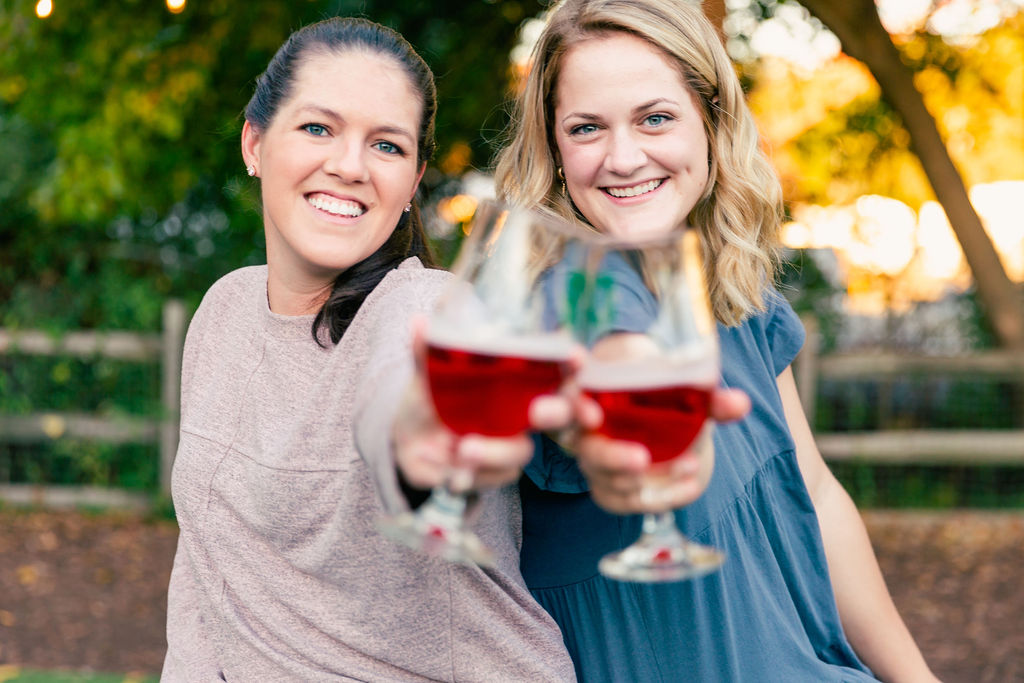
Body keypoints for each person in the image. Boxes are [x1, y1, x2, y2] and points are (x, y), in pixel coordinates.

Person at [488, 0, 942, 681]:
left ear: (712, 121)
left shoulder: (740, 294)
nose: (623, 157)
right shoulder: (563, 292)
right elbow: (602, 363)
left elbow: (816, 494)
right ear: (553, 151)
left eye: (655, 118)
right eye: (586, 128)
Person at [161, 16, 576, 681]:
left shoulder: (419, 305)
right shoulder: (224, 312)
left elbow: (403, 396)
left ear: (412, 181)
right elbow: (204, 578)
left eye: (386, 145)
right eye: (318, 128)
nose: (350, 166)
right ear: (255, 144)